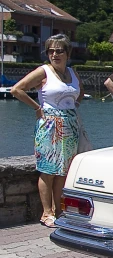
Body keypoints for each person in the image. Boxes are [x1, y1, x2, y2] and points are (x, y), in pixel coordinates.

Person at [10, 34, 83, 228]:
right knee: (48, 170)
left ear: (68, 53)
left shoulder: (72, 72)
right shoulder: (44, 71)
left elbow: (79, 92)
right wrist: (37, 108)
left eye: (59, 50)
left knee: (62, 172)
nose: (54, 54)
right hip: (50, 126)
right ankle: (47, 213)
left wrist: (74, 105)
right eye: (51, 51)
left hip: (69, 126)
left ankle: (59, 211)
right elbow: (17, 90)